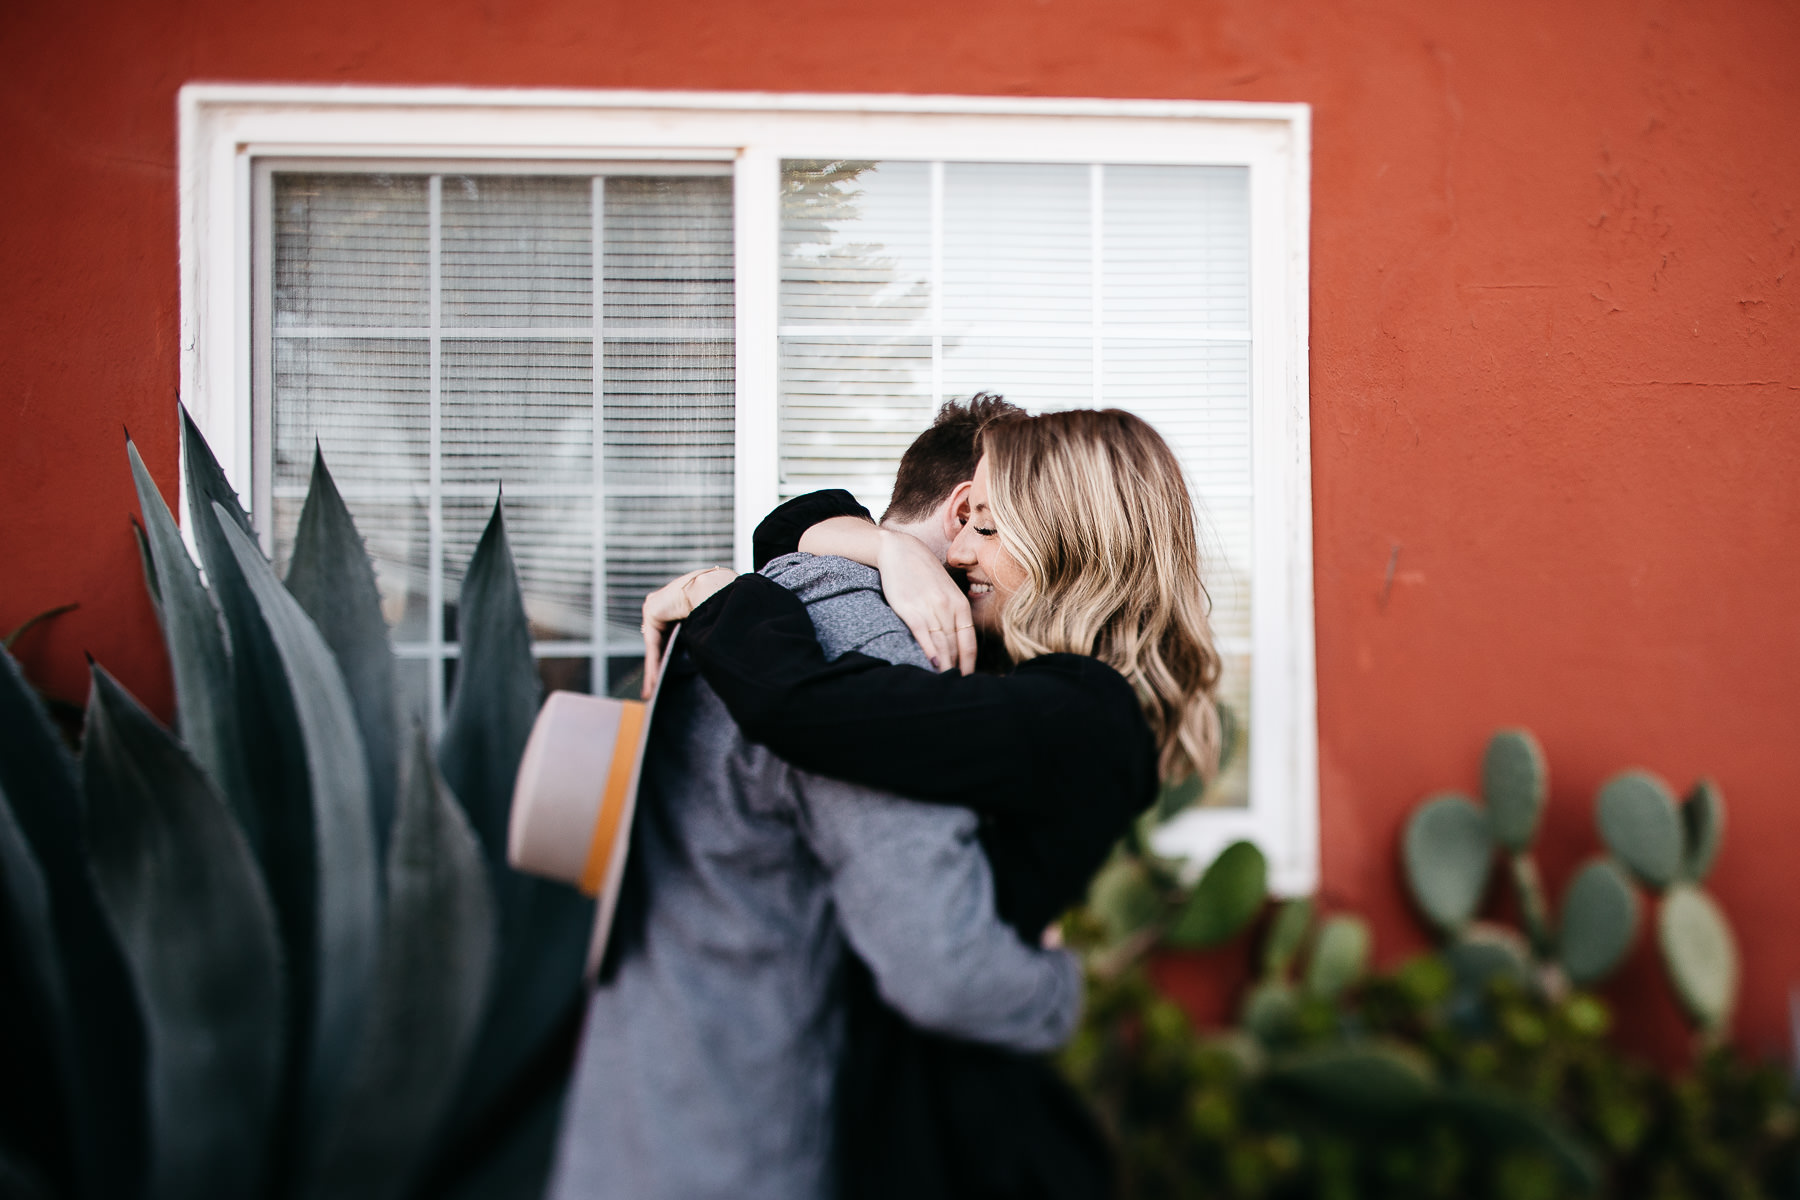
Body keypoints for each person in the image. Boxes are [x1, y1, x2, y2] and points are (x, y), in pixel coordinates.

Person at [647, 406, 1223, 1199]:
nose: (955, 553)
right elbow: (790, 530)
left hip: (954, 1138)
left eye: (985, 531)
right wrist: (887, 548)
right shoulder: (1048, 692)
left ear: (1068, 544)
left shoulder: (1078, 713)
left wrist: (720, 600)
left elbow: (810, 712)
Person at [544, 406, 1084, 1200]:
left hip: (636, 1118)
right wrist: (1061, 985)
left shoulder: (767, 599)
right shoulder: (876, 650)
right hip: (743, 1147)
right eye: (1031, 536)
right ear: (969, 510)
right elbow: (943, 969)